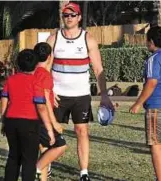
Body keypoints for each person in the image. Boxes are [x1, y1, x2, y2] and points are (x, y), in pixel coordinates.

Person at [46, 3, 113, 180]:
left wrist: (104, 96)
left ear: (79, 17)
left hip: (81, 95)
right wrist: (48, 93)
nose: (69, 18)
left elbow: (98, 69)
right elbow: (44, 69)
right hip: (57, 94)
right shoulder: (53, 39)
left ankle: (84, 172)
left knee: (81, 131)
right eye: (65, 15)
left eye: (72, 15)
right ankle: (47, 164)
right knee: (50, 131)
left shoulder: (88, 39)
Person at [130, 26, 161, 181]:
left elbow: (151, 83)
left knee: (155, 146)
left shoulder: (153, 59)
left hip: (158, 107)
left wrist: (138, 103)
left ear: (151, 41)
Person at [0, 49, 55, 181]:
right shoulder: (35, 82)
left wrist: (4, 121)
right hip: (29, 123)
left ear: (18, 64)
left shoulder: (10, 80)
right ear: (36, 65)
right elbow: (41, 107)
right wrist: (49, 129)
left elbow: (4, 101)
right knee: (29, 161)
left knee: (13, 157)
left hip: (11, 121)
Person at [34, 42, 67, 181]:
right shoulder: (46, 76)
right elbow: (46, 101)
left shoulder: (33, 72)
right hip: (43, 119)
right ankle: (34, 169)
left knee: (45, 152)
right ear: (49, 56)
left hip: (31, 119)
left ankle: (41, 176)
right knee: (61, 146)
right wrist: (54, 124)